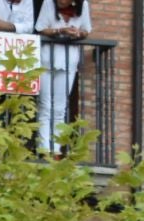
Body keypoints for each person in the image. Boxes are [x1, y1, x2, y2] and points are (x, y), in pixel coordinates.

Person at [35, 0, 91, 155]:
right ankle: (45, 149)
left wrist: (78, 33)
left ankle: (56, 149)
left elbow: (86, 30)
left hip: (69, 60)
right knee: (45, 106)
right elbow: (40, 28)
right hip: (47, 59)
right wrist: (60, 31)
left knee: (60, 108)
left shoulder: (82, 5)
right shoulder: (48, 3)